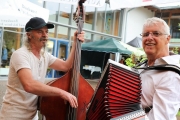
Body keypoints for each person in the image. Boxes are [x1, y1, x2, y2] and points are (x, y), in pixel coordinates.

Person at [0, 17, 85, 120]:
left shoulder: (45, 55)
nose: (45, 35)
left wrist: (75, 43)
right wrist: (61, 92)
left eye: (46, 32)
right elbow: (29, 85)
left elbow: (66, 66)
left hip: (32, 115)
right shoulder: (20, 54)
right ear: (29, 35)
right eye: (40, 32)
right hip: (13, 115)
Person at [139, 17, 180, 120]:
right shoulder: (141, 66)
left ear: (168, 38)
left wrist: (127, 116)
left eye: (156, 33)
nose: (149, 37)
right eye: (145, 34)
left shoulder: (171, 75)